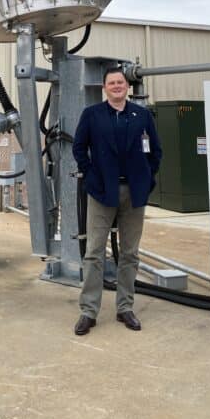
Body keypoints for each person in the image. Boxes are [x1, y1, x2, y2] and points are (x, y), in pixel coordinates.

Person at [72, 66, 162, 335]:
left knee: (130, 253)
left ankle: (125, 307)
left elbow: (155, 151)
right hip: (102, 192)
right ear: (104, 87)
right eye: (111, 83)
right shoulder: (92, 115)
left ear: (127, 86)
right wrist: (90, 175)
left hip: (134, 193)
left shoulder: (142, 115)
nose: (116, 86)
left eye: (120, 82)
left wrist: (146, 178)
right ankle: (89, 311)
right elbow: (79, 148)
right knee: (94, 253)